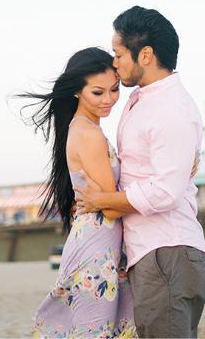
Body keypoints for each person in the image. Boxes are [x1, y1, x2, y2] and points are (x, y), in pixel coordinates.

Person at [74, 6, 205, 338]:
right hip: (155, 254)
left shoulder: (170, 108)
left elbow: (166, 191)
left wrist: (103, 200)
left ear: (145, 55)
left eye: (119, 53)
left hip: (167, 251)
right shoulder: (146, 100)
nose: (114, 62)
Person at [16, 47, 137, 338]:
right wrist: (158, 195)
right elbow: (110, 208)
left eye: (114, 89)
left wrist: (105, 198)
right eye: (98, 92)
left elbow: (105, 201)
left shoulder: (84, 128)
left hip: (98, 244)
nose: (109, 99)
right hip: (95, 250)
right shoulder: (89, 134)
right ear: (77, 92)